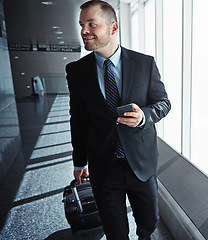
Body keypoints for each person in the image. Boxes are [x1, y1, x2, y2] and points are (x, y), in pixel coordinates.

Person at [65, 1, 171, 239]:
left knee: (149, 221)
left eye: (92, 24)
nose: (84, 30)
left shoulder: (144, 63)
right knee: (115, 232)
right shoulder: (77, 71)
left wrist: (144, 115)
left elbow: (163, 103)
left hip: (141, 165)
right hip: (104, 166)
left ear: (113, 28)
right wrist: (79, 162)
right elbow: (78, 120)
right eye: (82, 24)